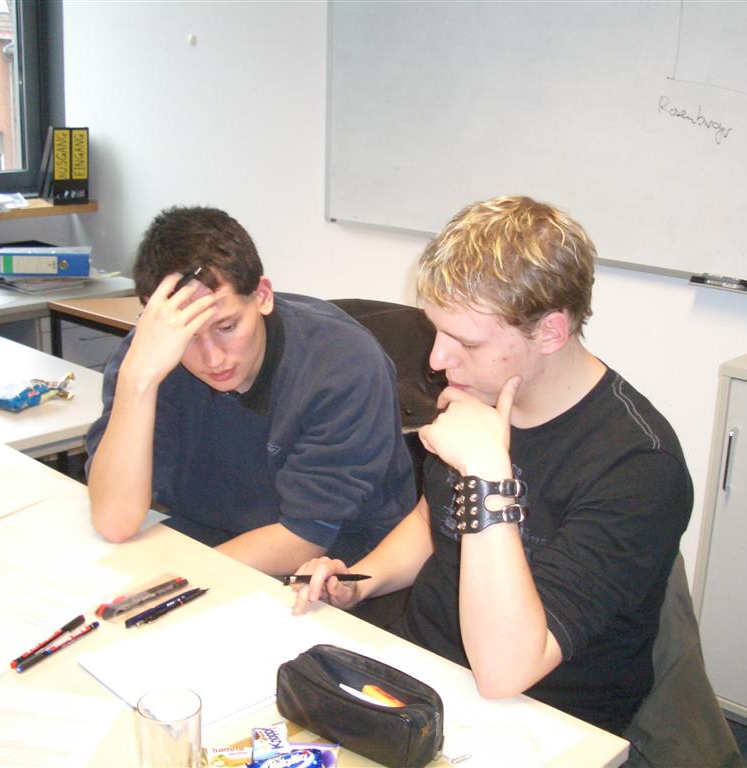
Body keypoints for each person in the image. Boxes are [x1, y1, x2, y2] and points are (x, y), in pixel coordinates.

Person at [291, 195, 693, 736]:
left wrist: (485, 472)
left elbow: (506, 672)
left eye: (466, 342)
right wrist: (361, 582)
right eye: (436, 330)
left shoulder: (639, 467)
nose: (437, 360)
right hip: (425, 670)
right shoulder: (478, 393)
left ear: (551, 332)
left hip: (544, 717)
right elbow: (433, 520)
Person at [85, 205, 415, 576]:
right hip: (206, 540)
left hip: (337, 562)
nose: (212, 358)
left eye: (226, 327)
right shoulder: (150, 355)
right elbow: (115, 520)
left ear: (262, 295)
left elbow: (303, 537)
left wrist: (181, 580)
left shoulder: (342, 364)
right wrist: (137, 381)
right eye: (189, 336)